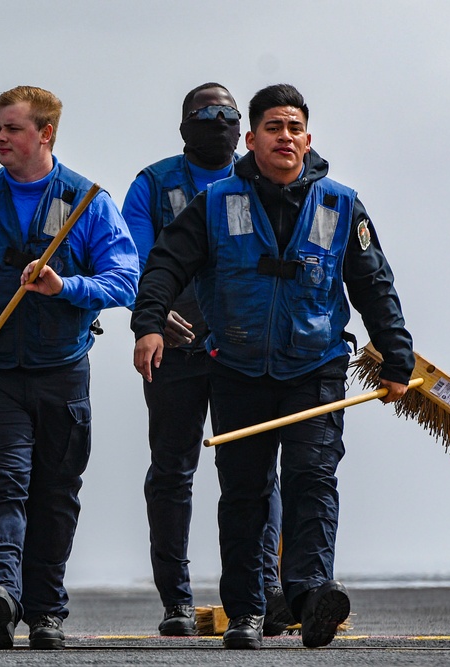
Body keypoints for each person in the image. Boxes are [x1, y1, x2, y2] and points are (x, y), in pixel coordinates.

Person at [131, 84, 413, 650]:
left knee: (312, 481)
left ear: (308, 139)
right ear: (252, 138)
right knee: (244, 493)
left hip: (315, 370)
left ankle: (311, 596)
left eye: (294, 128)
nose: (285, 137)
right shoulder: (213, 205)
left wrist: (396, 351)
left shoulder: (341, 204)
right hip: (236, 370)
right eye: (273, 127)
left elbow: (374, 284)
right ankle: (245, 613)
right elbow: (164, 263)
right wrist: (149, 323)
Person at [0, 85, 138, 650]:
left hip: (62, 374)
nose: (0, 138)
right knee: (3, 485)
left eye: (12, 128)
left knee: (55, 494)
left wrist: (63, 285)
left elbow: (125, 281)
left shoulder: (88, 201)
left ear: (45, 134)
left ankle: (46, 611)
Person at [122, 82, 292, 637]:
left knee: (253, 473)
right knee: (172, 473)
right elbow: (134, 261)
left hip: (241, 352)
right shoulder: (151, 184)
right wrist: (152, 314)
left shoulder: (260, 179)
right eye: (203, 113)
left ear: (240, 126)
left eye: (225, 113)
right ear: (183, 125)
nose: (214, 121)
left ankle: (264, 589)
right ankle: (176, 599)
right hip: (173, 352)